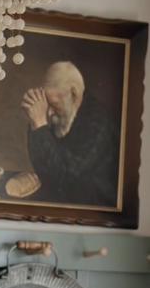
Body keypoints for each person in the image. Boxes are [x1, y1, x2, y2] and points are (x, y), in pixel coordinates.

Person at [21, 61, 120, 208]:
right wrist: (35, 123)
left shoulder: (99, 124)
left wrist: (40, 125)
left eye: (54, 104)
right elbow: (44, 170)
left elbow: (63, 179)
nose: (49, 112)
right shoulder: (64, 116)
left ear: (73, 94)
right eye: (47, 105)